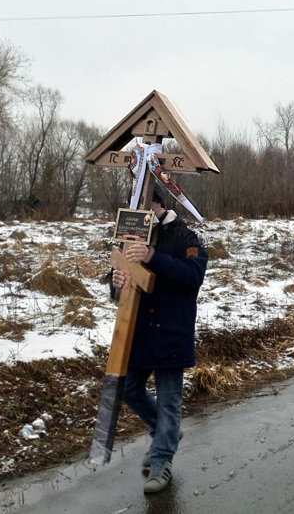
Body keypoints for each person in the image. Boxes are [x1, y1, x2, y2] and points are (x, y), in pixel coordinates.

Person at [108, 193, 209, 493]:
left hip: (170, 331)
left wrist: (153, 257)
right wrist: (115, 285)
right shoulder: (130, 235)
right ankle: (166, 431)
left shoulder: (184, 236)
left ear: (157, 205)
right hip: (138, 333)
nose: (138, 214)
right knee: (129, 389)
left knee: (168, 401)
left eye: (144, 207)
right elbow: (119, 281)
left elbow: (193, 276)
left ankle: (162, 461)